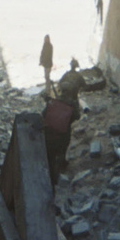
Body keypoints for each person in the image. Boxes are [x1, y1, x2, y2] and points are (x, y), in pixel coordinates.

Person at [43, 59, 84, 188]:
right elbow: (77, 117)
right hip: (62, 134)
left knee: (50, 156)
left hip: (49, 134)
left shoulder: (54, 102)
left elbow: (44, 115)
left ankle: (49, 175)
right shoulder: (71, 104)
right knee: (63, 146)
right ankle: (60, 167)